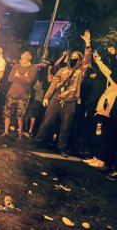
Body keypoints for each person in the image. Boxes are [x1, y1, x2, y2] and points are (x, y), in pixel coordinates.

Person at [34, 30, 92, 158]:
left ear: (79, 60)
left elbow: (87, 61)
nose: (72, 59)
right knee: (47, 121)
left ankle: (62, 148)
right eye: (71, 58)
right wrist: (46, 97)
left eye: (75, 58)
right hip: (56, 98)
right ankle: (38, 141)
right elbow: (53, 84)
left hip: (70, 102)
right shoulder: (61, 70)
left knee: (66, 126)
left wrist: (87, 44)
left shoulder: (80, 72)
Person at [82, 46, 117, 173]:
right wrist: (98, 61)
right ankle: (96, 157)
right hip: (101, 109)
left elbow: (108, 71)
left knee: (104, 136)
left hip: (108, 111)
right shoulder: (111, 80)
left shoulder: (115, 82)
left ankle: (101, 160)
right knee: (98, 134)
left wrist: (108, 59)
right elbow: (107, 71)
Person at [0, 51, 38, 140]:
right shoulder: (16, 66)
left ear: (30, 57)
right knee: (7, 113)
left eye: (27, 55)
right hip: (12, 93)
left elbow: (29, 80)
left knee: (20, 116)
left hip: (23, 95)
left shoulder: (33, 68)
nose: (24, 56)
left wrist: (18, 76)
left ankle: (20, 134)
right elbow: (10, 78)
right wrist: (23, 77)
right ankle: (5, 132)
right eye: (23, 54)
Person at [23, 59, 53, 139]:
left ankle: (30, 131)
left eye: (46, 63)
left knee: (32, 113)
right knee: (27, 112)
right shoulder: (38, 74)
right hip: (32, 96)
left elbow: (50, 80)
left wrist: (49, 70)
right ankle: (26, 130)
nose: (44, 64)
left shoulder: (47, 76)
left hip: (39, 98)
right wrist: (38, 65)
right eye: (43, 62)